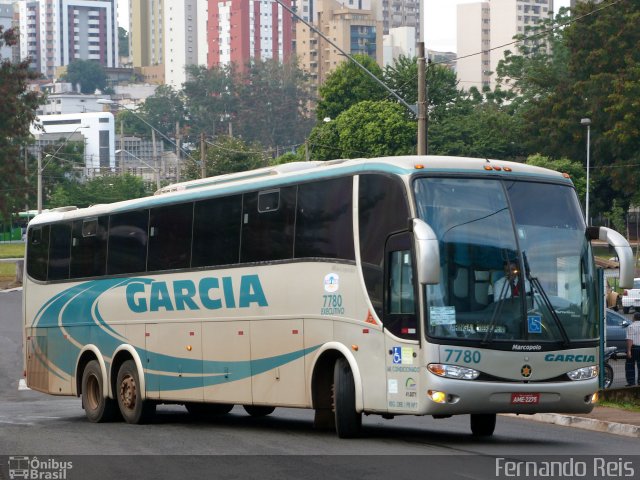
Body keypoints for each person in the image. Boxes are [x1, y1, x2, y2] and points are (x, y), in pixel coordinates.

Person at [624, 313, 640, 386]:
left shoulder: (631, 326)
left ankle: (631, 382)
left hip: (634, 348)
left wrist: (629, 350)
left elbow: (630, 339)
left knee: (630, 365)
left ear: (634, 318)